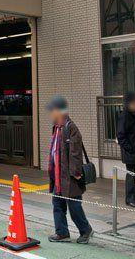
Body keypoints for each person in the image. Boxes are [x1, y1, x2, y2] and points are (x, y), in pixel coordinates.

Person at [47, 95, 93, 244]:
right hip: (58, 175)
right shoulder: (56, 127)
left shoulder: (70, 127)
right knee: (57, 205)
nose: (51, 113)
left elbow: (75, 153)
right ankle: (62, 233)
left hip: (70, 176)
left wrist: (76, 173)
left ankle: (86, 230)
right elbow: (54, 151)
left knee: (74, 207)